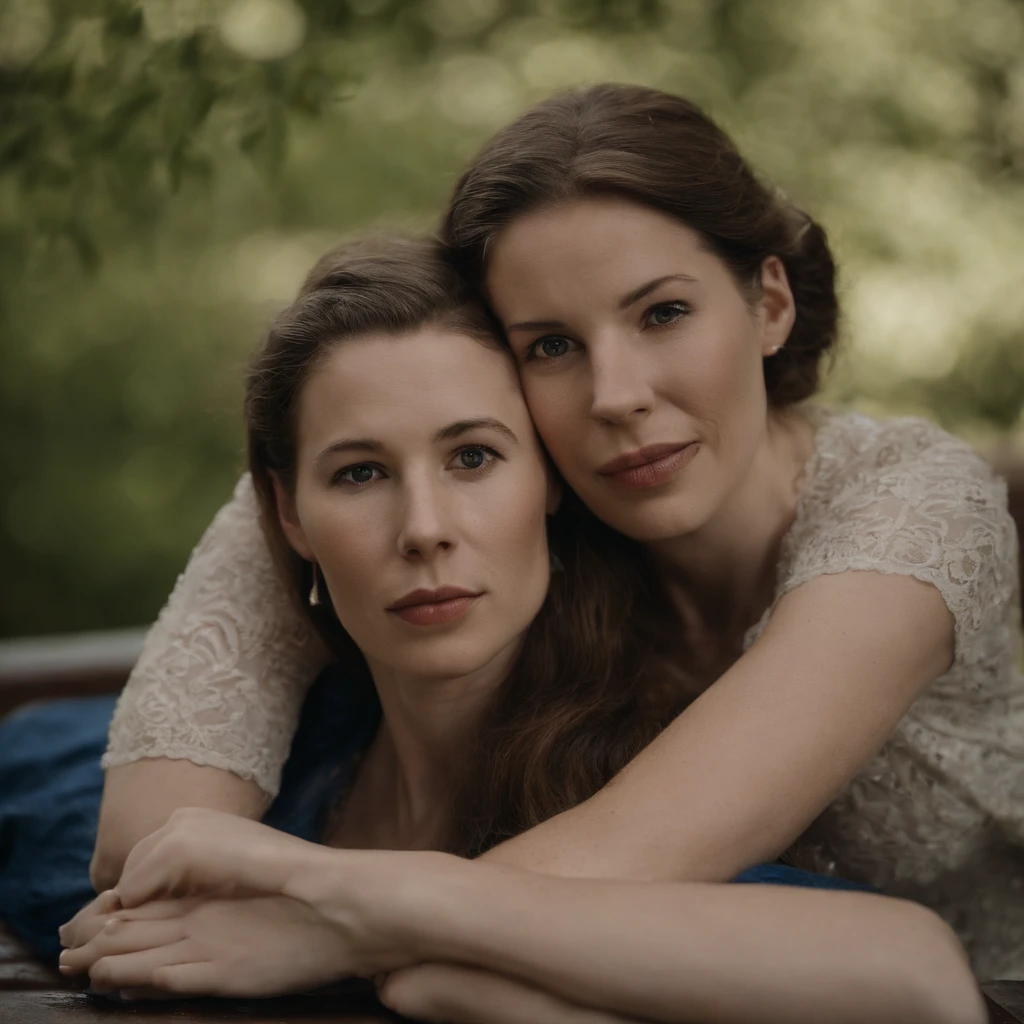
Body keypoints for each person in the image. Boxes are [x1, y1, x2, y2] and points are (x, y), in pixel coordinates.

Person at [92, 85, 1023, 980]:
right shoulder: (482, 477)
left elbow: (630, 852)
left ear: (769, 302)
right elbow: (148, 843)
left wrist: (323, 930)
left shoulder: (916, 510)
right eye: (550, 345)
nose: (616, 396)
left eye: (663, 313)